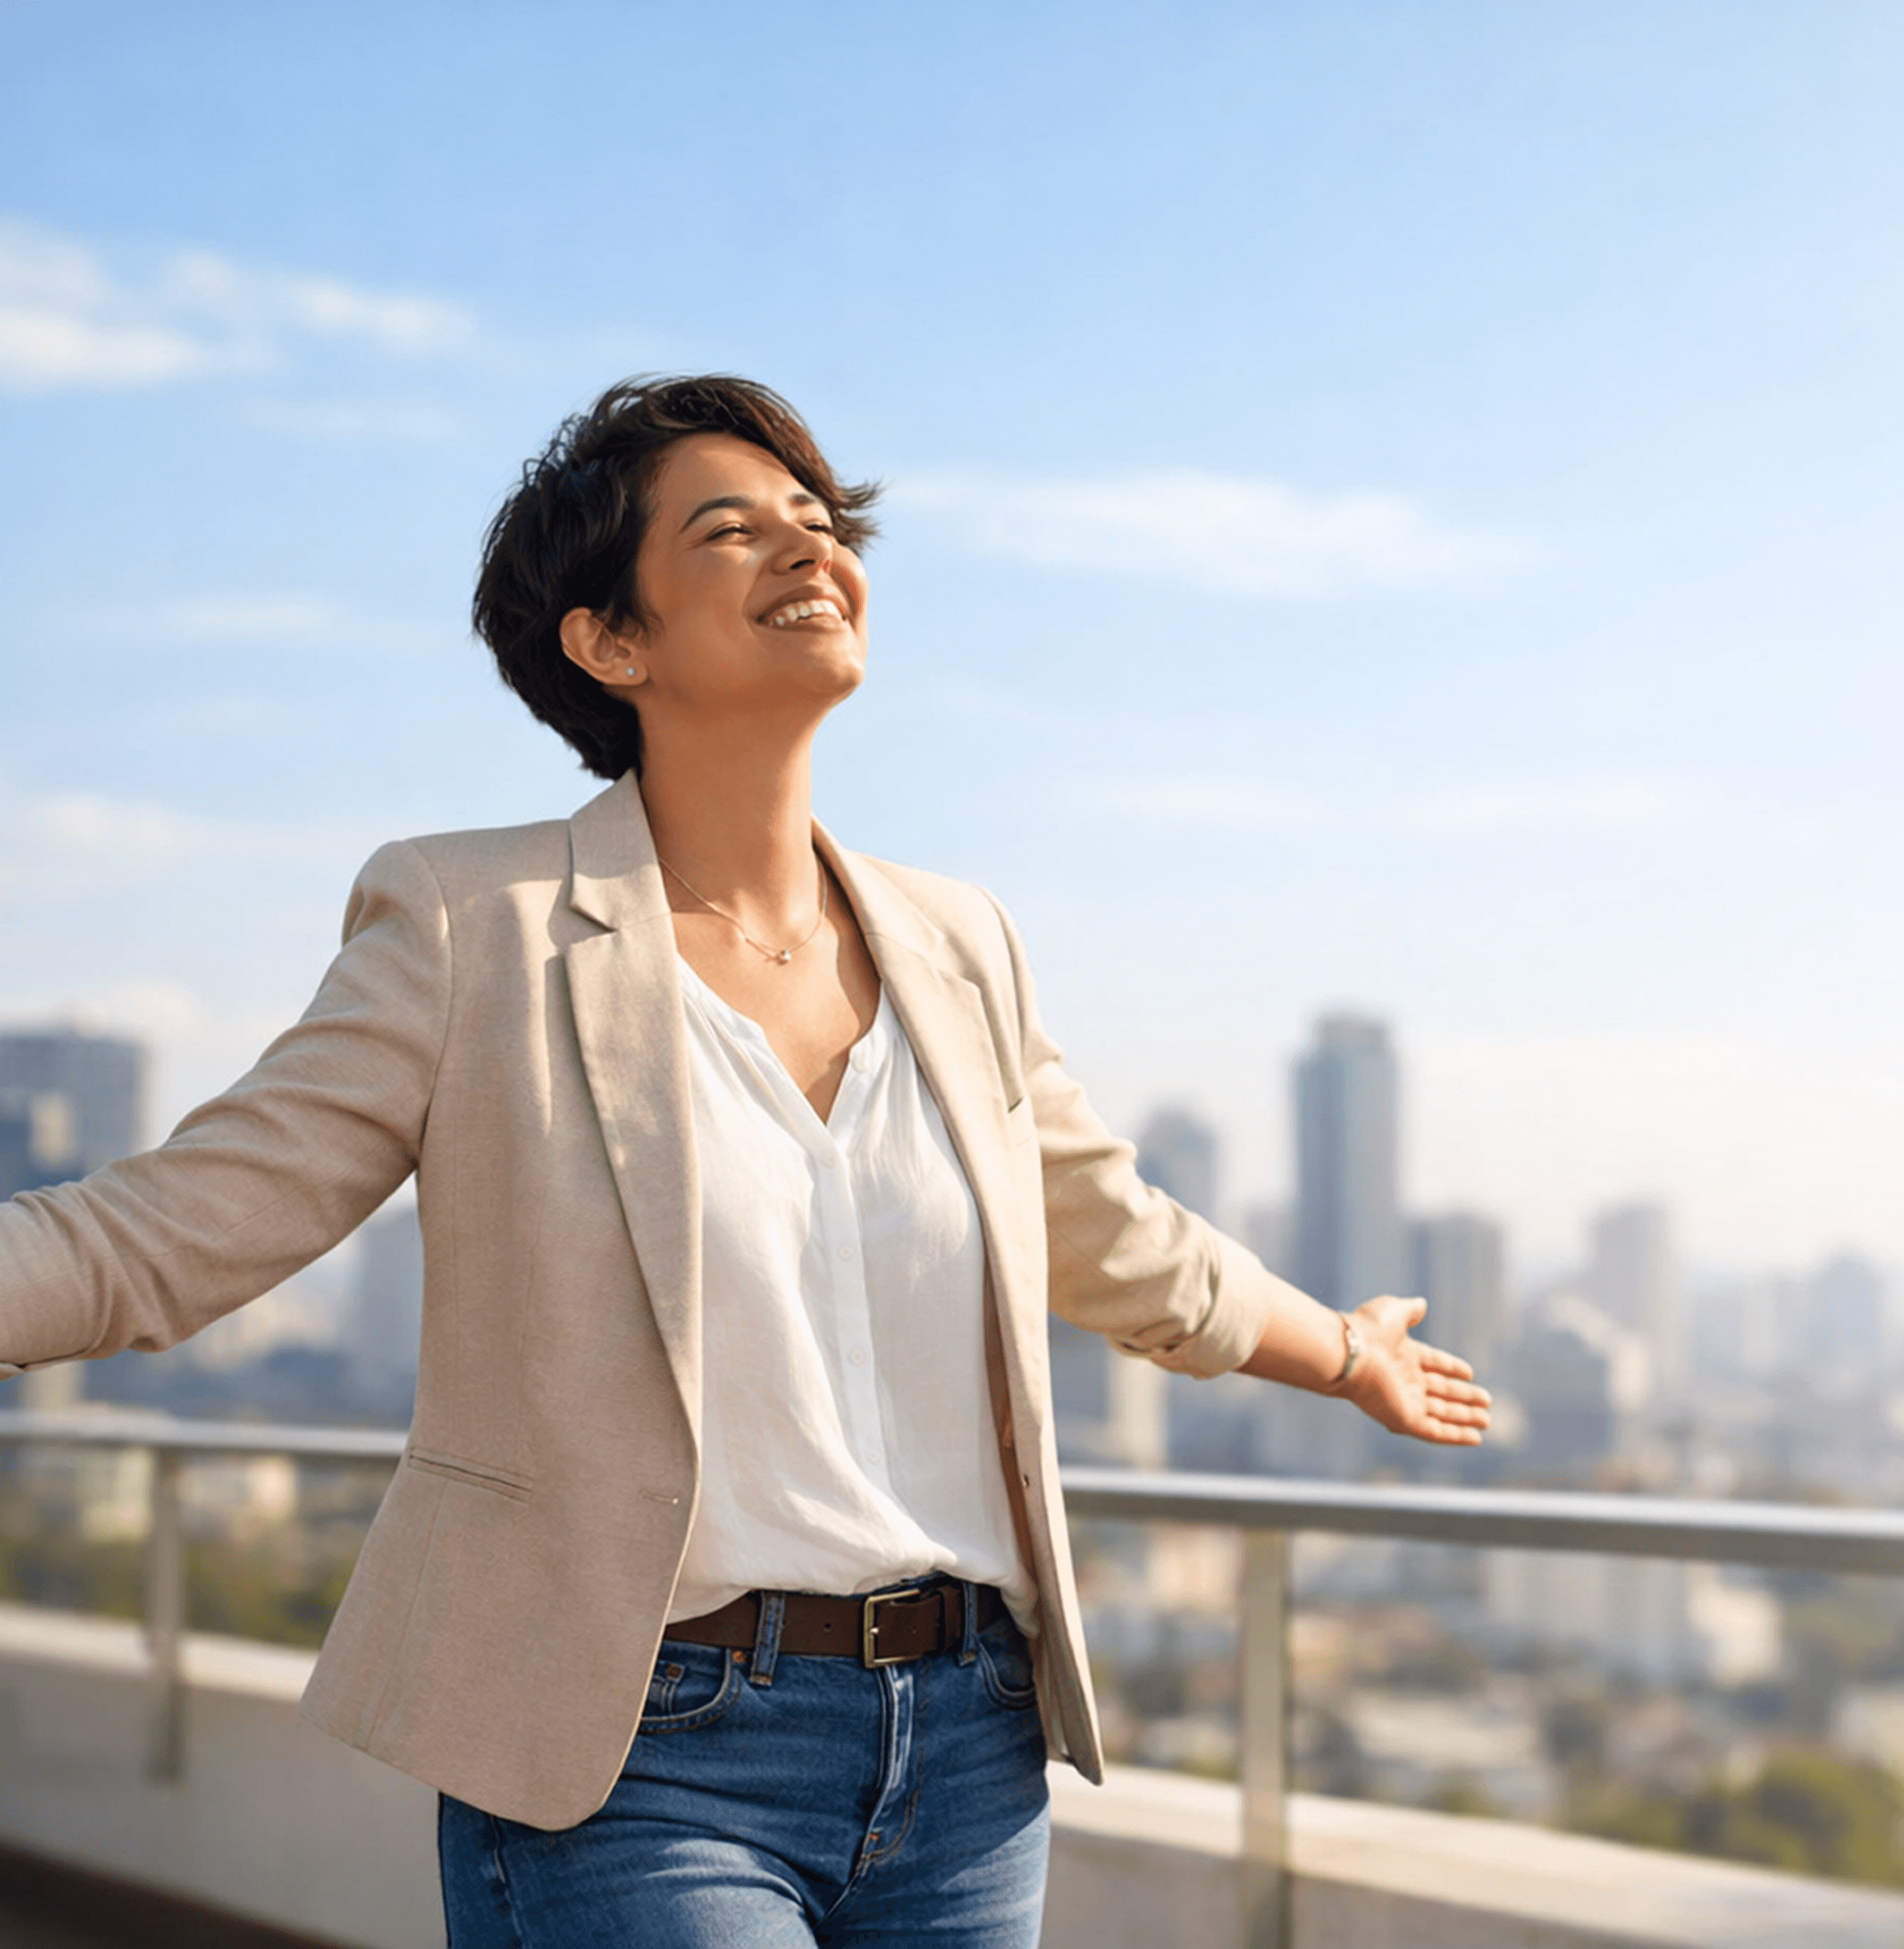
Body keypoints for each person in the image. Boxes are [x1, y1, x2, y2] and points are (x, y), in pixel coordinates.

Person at [0, 374, 1493, 1946]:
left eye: (820, 522)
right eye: (733, 528)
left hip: (969, 1746)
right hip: (640, 1754)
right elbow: (166, 1233)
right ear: (612, 641)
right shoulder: (473, 927)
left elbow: (1107, 1231)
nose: (810, 550)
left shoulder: (957, 943)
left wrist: (1339, 1351)